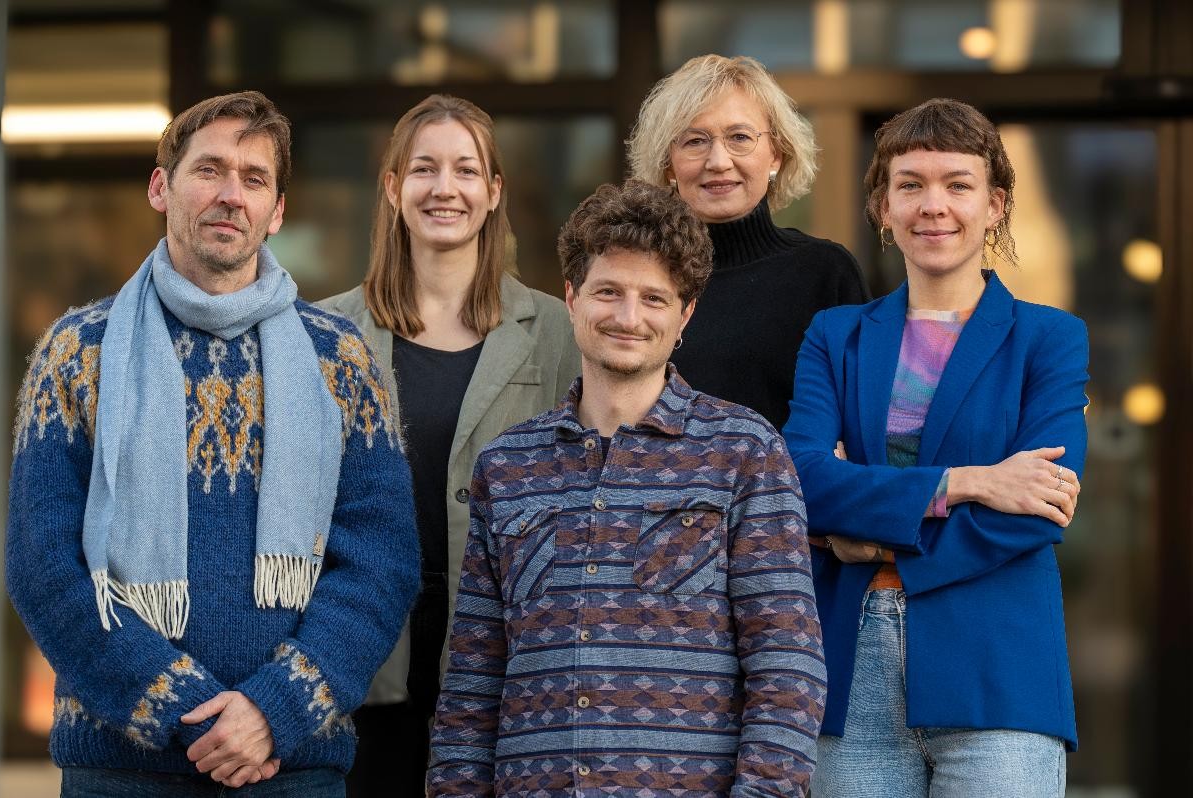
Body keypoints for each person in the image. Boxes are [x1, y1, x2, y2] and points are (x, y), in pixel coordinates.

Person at [6, 91, 419, 797]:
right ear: (160, 187)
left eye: (254, 179)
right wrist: (186, 712)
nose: (231, 195)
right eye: (209, 170)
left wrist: (275, 709)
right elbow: (42, 565)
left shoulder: (340, 360)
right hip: (121, 771)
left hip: (291, 768)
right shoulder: (78, 353)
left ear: (277, 211)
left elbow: (381, 563)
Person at [428, 179, 827, 798]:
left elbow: (786, 669)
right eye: (608, 291)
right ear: (571, 298)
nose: (628, 317)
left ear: (685, 314)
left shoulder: (744, 451)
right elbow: (472, 686)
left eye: (653, 298)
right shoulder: (506, 465)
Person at [782, 98, 1088, 797]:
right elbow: (801, 480)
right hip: (851, 670)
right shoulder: (835, 335)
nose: (933, 205)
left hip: (998, 669)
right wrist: (968, 482)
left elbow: (1039, 506)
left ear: (995, 205)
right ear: (883, 207)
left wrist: (867, 540)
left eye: (958, 184)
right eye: (910, 184)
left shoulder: (1050, 338)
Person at [317, 94, 579, 796]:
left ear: (493, 192)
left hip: (507, 650)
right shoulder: (324, 333)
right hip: (362, 647)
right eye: (424, 168)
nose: (445, 188)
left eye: (466, 170)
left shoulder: (557, 331)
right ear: (392, 187)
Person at [626, 54, 868, 431]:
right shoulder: (637, 279)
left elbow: (862, 421)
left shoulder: (825, 273)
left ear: (776, 155)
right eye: (695, 141)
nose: (718, 161)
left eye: (739, 137)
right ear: (668, 164)